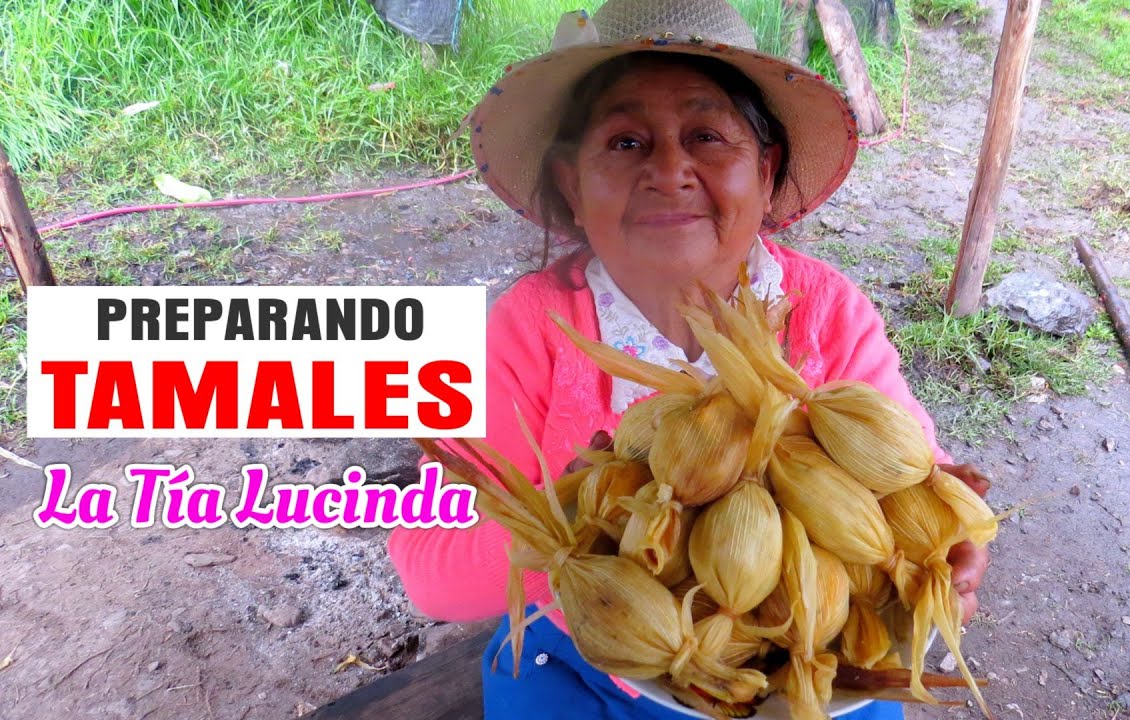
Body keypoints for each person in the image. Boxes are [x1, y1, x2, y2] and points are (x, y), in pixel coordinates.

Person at [388, 1, 991, 717]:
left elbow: (911, 468)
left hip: (801, 677)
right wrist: (604, 517)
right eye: (624, 142)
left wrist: (949, 533)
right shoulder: (532, 330)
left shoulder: (826, 311)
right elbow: (428, 566)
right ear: (572, 184)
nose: (669, 169)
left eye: (707, 136)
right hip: (590, 665)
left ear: (765, 173)